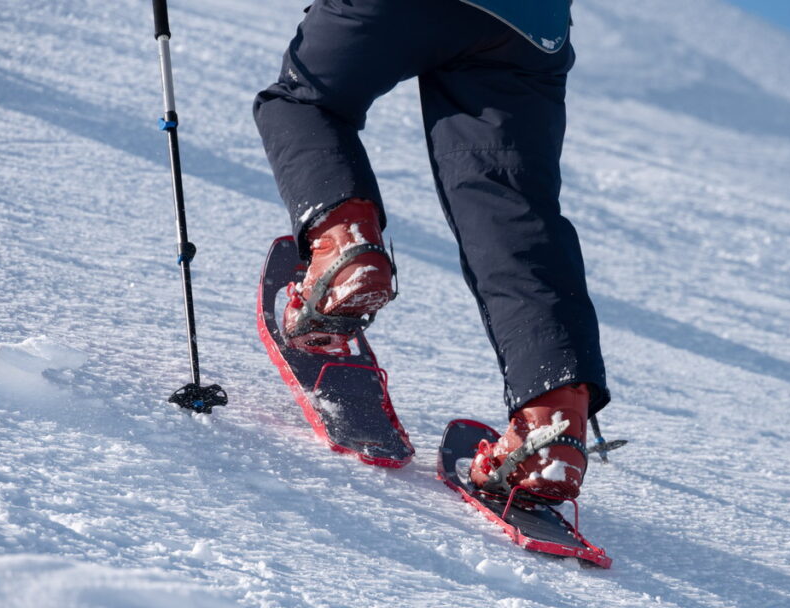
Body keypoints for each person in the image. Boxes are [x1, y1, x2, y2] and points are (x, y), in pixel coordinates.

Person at [253, 0, 609, 500]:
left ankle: (344, 248)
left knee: (306, 101)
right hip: (531, 23)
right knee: (511, 209)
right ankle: (550, 423)